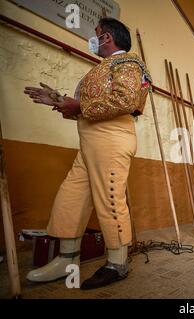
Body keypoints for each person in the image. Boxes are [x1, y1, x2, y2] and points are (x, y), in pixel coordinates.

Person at [23, 18, 150, 289]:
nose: (93, 40)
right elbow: (87, 107)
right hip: (90, 141)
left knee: (110, 199)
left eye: (97, 35)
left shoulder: (128, 63)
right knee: (70, 198)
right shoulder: (102, 68)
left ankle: (118, 263)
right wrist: (61, 101)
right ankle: (66, 260)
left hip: (112, 140)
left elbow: (125, 100)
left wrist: (77, 104)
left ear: (108, 38)